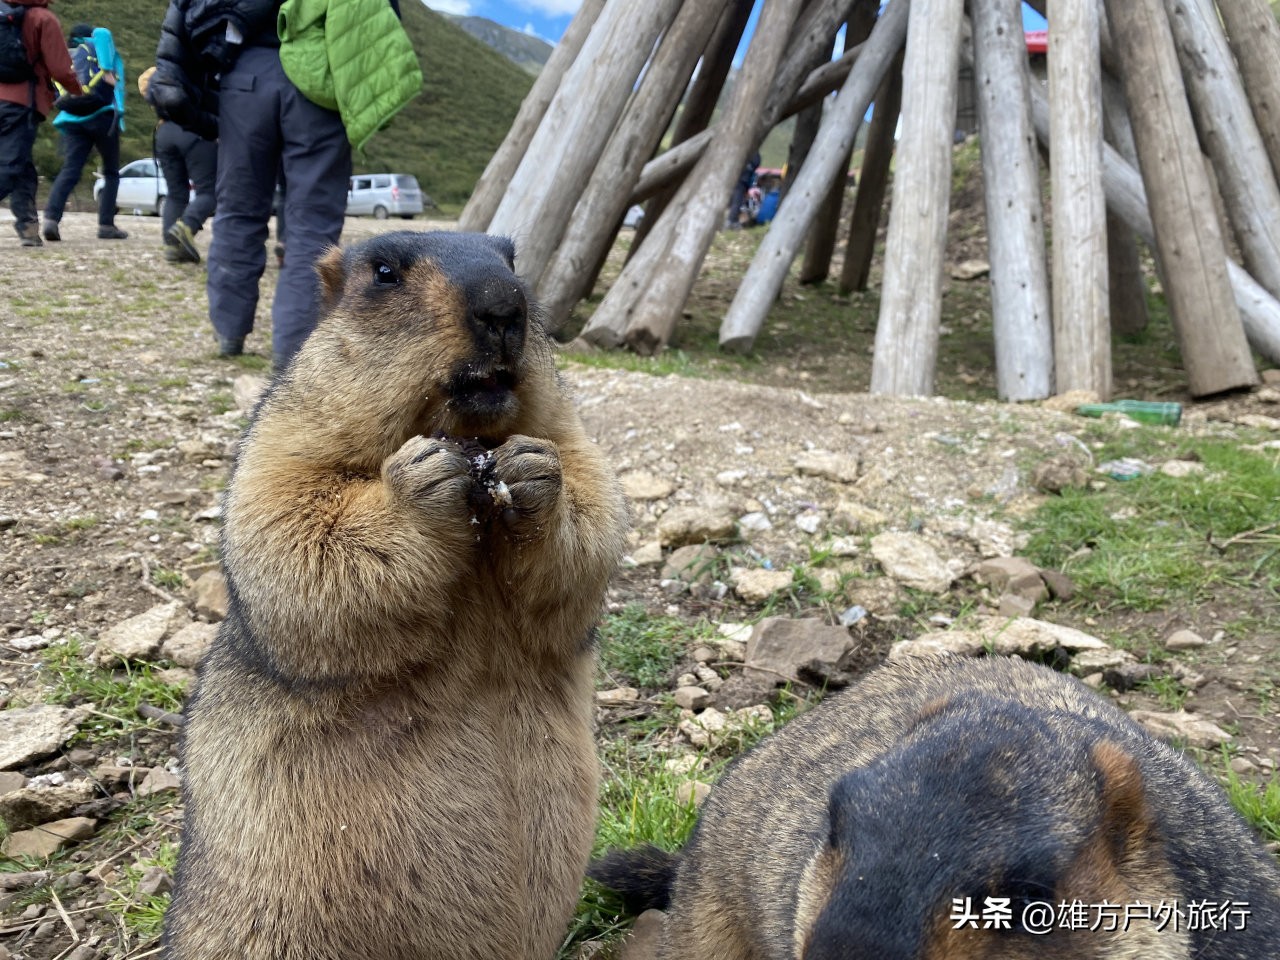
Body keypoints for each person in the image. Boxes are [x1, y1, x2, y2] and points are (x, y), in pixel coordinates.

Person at [149, 0, 420, 372]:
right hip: (318, 82)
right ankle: (292, 351)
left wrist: (172, 73)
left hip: (245, 80)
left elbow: (183, 11)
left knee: (238, 210)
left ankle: (230, 333)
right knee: (313, 224)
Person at [0, 0, 82, 247]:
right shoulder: (43, 18)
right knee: (10, 166)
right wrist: (77, 90)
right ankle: (27, 225)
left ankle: (28, 226)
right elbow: (61, 68)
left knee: (23, 164)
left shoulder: (3, 13)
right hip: (21, 103)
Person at [41, 23, 128, 241]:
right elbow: (103, 32)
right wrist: (107, 71)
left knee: (70, 169)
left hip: (72, 117)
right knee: (110, 172)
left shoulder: (65, 54)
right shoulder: (98, 44)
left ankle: (51, 219)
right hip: (102, 114)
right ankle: (106, 226)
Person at [137, 65, 214, 263]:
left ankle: (173, 248)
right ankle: (186, 227)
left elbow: (146, 87)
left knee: (176, 193)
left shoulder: (155, 73)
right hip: (194, 130)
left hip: (164, 133)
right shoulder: (192, 68)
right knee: (210, 191)